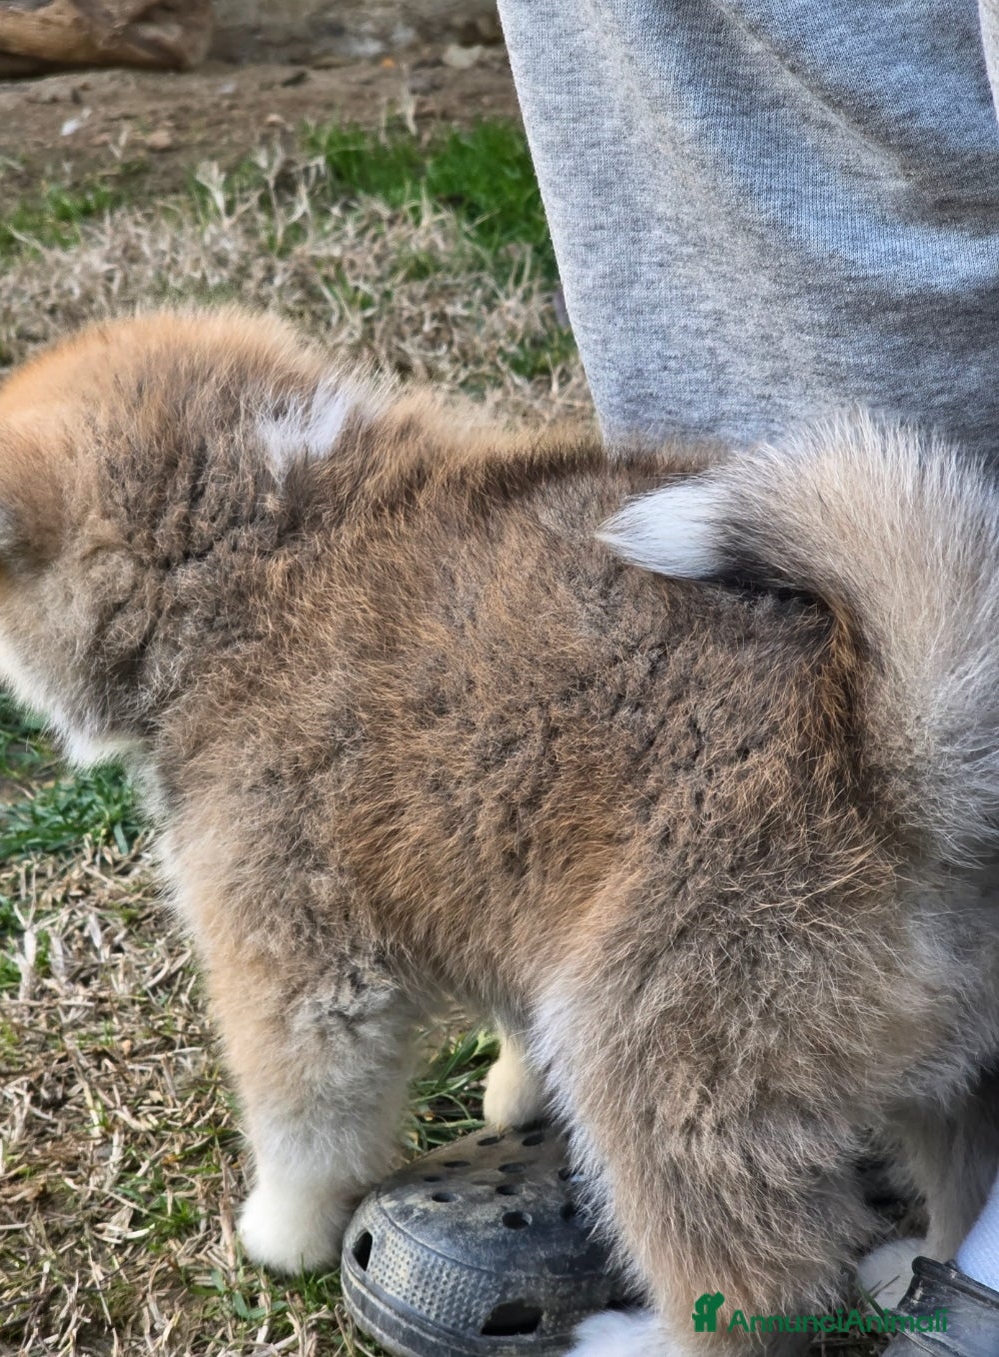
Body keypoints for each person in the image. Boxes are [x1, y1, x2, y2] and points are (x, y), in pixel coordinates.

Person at [494, 2, 999, 1351]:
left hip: (886, 665)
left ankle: (731, 1320)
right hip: (812, 621)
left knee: (665, 1050)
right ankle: (953, 1240)